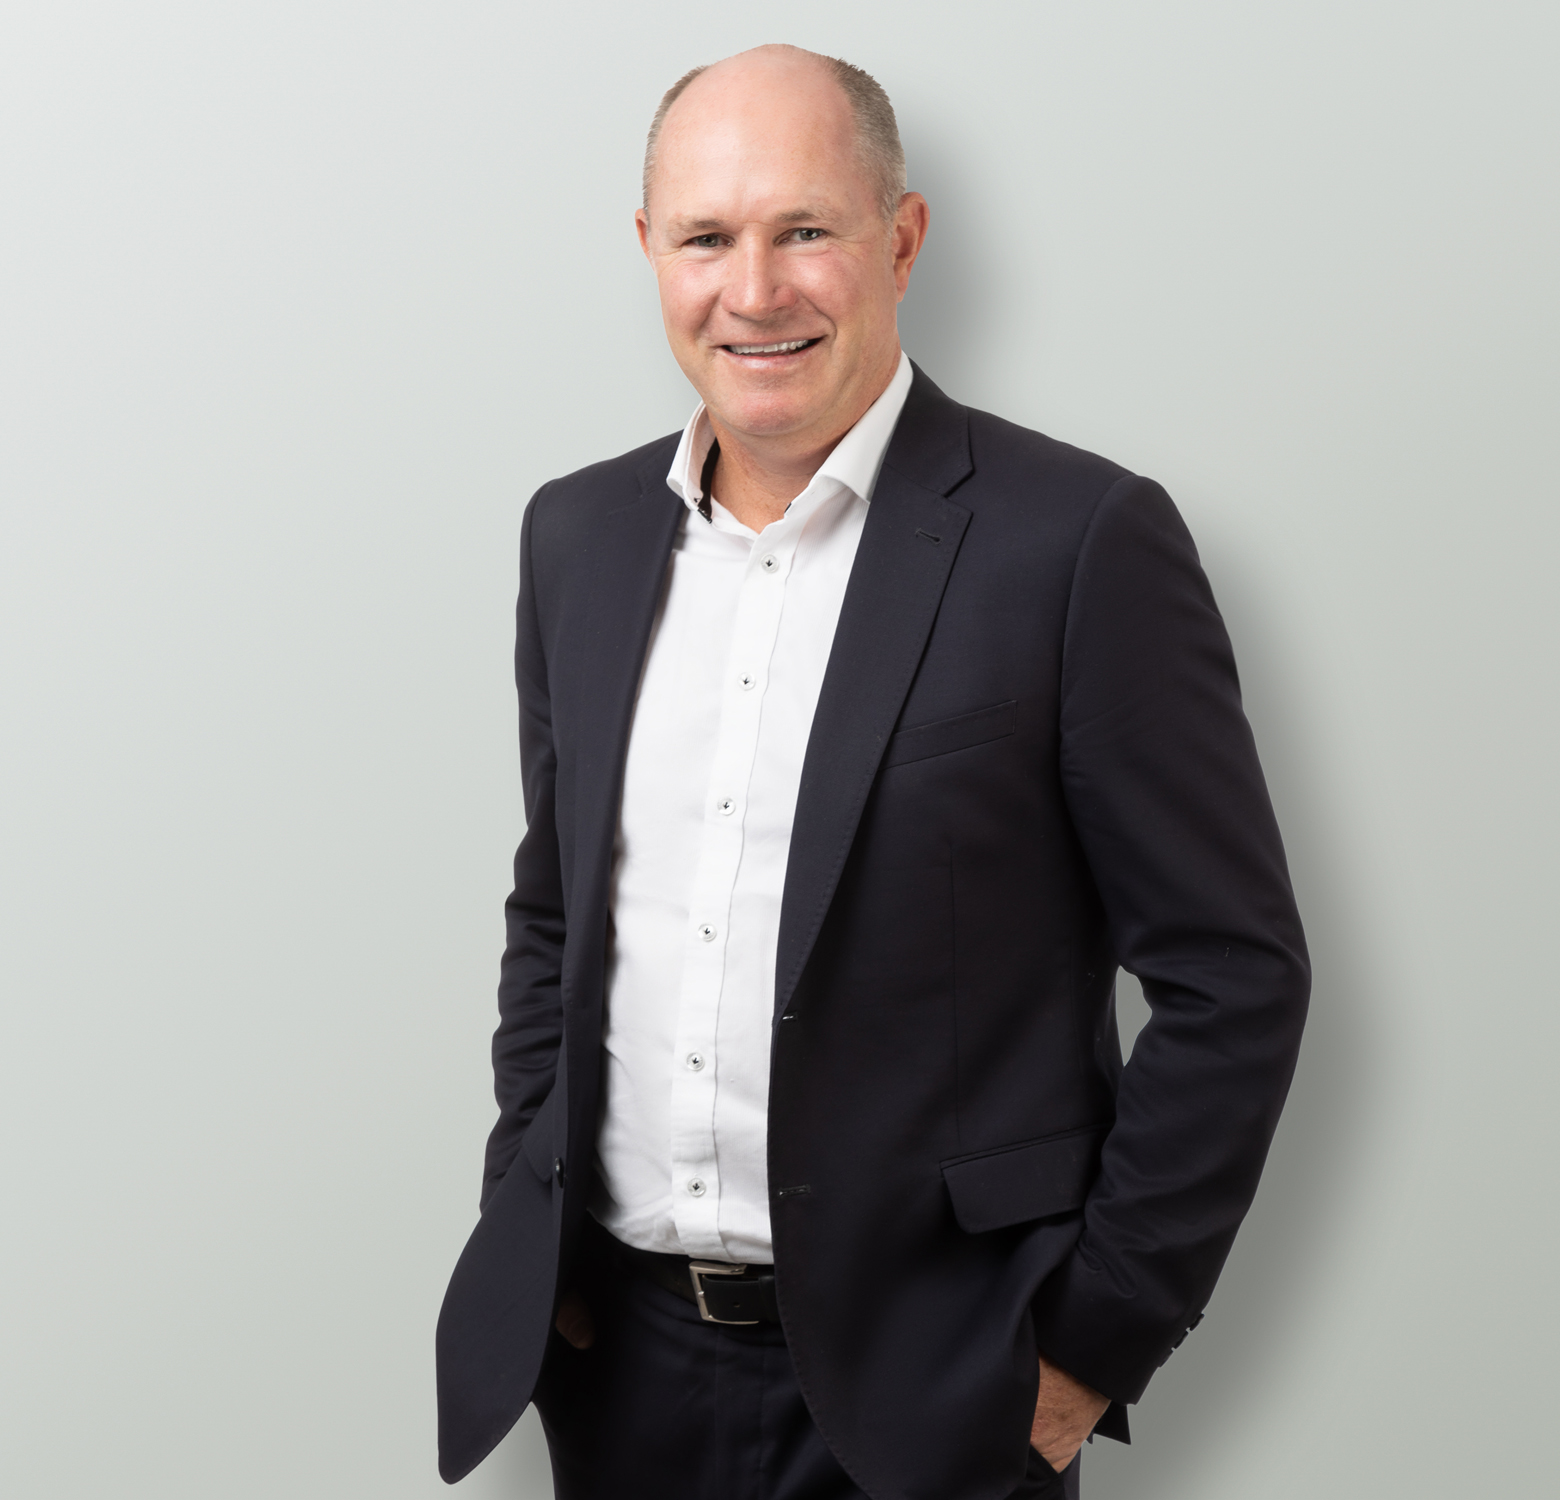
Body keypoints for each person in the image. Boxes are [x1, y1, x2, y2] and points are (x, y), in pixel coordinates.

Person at [436, 43, 1309, 1500]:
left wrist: (1093, 1344)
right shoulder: (576, 538)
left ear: (901, 240)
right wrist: (533, 1206)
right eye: (706, 238)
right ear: (648, 248)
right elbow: (559, 915)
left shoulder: (1077, 544)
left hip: (941, 1393)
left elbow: (1235, 977)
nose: (754, 290)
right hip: (619, 1373)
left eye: (805, 230)